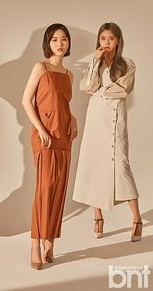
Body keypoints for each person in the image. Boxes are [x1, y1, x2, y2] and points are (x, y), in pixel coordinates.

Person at [73, 22, 142, 242]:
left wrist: (99, 91)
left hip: (115, 122)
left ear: (118, 40)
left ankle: (137, 219)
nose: (106, 43)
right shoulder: (96, 63)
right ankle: (98, 217)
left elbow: (122, 90)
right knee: (95, 166)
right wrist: (94, 61)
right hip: (95, 121)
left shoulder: (127, 64)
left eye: (110, 39)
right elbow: (86, 86)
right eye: (103, 39)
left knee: (121, 166)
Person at [22, 24, 78, 269]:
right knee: (44, 188)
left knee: (58, 188)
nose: (60, 43)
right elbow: (26, 101)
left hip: (64, 135)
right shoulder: (40, 67)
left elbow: (63, 103)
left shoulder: (69, 74)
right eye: (55, 39)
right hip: (44, 135)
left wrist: (73, 118)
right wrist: (41, 130)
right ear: (48, 43)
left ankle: (50, 241)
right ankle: (35, 243)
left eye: (64, 39)